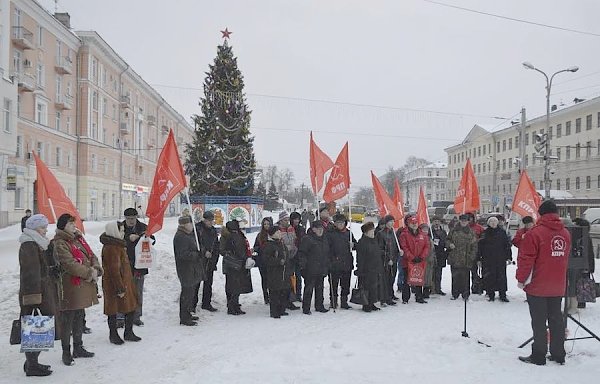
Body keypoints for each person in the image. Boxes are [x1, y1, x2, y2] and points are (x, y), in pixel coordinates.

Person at [517, 200, 570, 366]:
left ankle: (539, 355)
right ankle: (558, 354)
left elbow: (527, 260)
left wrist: (521, 279)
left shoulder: (535, 233)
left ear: (540, 214)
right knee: (557, 321)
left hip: (538, 285)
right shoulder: (566, 233)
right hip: (558, 284)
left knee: (539, 322)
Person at [54, 213, 102, 366]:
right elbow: (69, 264)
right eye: (70, 224)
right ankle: (66, 352)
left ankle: (78, 347)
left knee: (79, 316)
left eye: (73, 223)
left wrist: (95, 268)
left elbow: (91, 254)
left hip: (83, 285)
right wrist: (89, 273)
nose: (74, 226)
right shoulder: (60, 243)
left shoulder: (78, 238)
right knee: (68, 319)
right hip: (70, 287)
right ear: (63, 226)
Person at [18, 214, 58, 376]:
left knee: (40, 327)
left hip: (41, 291)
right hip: (34, 293)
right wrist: (33, 298)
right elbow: (30, 273)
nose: (45, 230)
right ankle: (32, 365)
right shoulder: (29, 245)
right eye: (42, 228)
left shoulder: (37, 243)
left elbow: (43, 266)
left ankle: (32, 362)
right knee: (35, 327)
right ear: (34, 228)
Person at [100, 221, 141, 343]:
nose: (123, 232)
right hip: (115, 284)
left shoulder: (118, 244)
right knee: (113, 310)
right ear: (115, 231)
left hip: (124, 282)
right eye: (121, 230)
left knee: (130, 307)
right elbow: (114, 270)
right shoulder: (112, 248)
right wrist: (120, 288)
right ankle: (113, 335)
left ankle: (128, 332)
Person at [122, 207, 155, 327]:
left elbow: (153, 240)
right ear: (125, 218)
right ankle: (121, 316)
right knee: (123, 291)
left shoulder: (142, 227)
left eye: (133, 218)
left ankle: (136, 316)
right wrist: (127, 238)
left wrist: (146, 237)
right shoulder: (120, 227)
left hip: (140, 265)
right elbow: (113, 240)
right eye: (129, 219)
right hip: (124, 264)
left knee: (137, 291)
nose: (131, 221)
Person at [173, 215, 205, 326]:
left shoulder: (189, 235)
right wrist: (197, 254)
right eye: (190, 223)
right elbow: (183, 254)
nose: (192, 225)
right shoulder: (181, 237)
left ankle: (188, 314)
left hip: (192, 269)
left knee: (190, 293)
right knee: (186, 294)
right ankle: (184, 318)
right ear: (184, 225)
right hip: (186, 269)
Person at [220, 219, 254, 315]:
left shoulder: (237, 235)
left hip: (236, 264)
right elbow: (222, 250)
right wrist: (233, 255)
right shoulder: (230, 236)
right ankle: (232, 306)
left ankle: (234, 305)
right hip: (233, 264)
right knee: (233, 286)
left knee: (235, 286)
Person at [298, 221, 330, 315]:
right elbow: (302, 253)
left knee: (320, 288)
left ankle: (319, 305)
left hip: (321, 267)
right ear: (313, 229)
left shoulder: (325, 238)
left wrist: (328, 263)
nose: (320, 230)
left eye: (322, 229)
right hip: (310, 268)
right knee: (309, 289)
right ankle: (306, 307)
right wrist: (303, 266)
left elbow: (327, 252)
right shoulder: (308, 239)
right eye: (318, 228)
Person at [478, 217, 512, 302]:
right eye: (491, 221)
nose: (493, 223)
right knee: (490, 277)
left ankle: (502, 295)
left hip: (500, 259)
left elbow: (506, 245)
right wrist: (478, 258)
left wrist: (508, 257)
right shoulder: (485, 233)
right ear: (488, 223)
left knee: (501, 277)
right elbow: (480, 247)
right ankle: (491, 294)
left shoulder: (502, 232)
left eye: (495, 221)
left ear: (497, 223)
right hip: (488, 259)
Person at [262, 225, 292, 318]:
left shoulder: (281, 244)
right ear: (272, 234)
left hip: (284, 272)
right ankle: (274, 311)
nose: (280, 234)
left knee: (283, 292)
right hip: (274, 273)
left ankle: (282, 309)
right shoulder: (269, 245)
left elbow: (286, 256)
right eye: (277, 232)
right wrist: (278, 261)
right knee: (275, 293)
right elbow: (266, 259)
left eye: (280, 232)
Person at [446, 214, 478, 300]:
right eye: (462, 220)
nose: (464, 222)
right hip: (455, 257)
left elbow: (474, 245)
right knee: (455, 277)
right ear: (459, 221)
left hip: (466, 258)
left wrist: (472, 256)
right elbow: (447, 240)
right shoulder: (453, 231)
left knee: (465, 278)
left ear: (468, 222)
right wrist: (449, 244)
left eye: (465, 220)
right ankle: (455, 294)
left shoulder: (471, 232)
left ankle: (465, 294)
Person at [399, 216, 430, 304]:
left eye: (416, 223)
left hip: (420, 261)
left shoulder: (423, 235)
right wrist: (412, 257)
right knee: (406, 280)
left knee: (418, 278)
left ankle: (419, 296)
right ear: (408, 224)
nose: (414, 225)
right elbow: (404, 247)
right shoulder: (404, 234)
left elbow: (426, 246)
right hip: (408, 261)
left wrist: (421, 257)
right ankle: (405, 298)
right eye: (412, 223)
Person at [328, 213, 357, 309]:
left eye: (342, 223)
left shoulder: (349, 233)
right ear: (335, 223)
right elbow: (327, 248)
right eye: (337, 223)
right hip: (334, 264)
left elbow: (355, 245)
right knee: (334, 284)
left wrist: (353, 245)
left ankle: (344, 301)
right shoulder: (330, 234)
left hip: (347, 263)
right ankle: (333, 301)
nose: (340, 224)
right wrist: (331, 259)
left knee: (345, 284)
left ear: (345, 223)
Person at [355, 222, 385, 312]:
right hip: (366, 269)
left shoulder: (374, 241)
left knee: (374, 287)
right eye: (370, 232)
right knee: (366, 288)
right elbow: (360, 258)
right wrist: (360, 269)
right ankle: (366, 304)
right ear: (365, 233)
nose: (372, 233)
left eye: (373, 231)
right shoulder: (362, 242)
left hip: (375, 268)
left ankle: (372, 303)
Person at [195, 210, 220, 312]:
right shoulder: (198, 229)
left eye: (211, 220)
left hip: (210, 262)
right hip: (200, 261)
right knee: (196, 284)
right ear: (204, 220)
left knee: (208, 283)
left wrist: (215, 259)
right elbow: (196, 243)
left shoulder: (213, 231)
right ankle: (192, 304)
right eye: (208, 220)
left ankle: (206, 303)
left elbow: (216, 245)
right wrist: (204, 251)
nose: (210, 222)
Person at [376, 215, 401, 306]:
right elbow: (379, 249)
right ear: (386, 223)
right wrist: (387, 259)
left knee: (392, 278)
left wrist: (399, 252)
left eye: (393, 222)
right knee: (385, 280)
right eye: (390, 222)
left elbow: (396, 246)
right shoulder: (381, 233)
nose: (392, 223)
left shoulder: (394, 233)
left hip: (393, 260)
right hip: (385, 262)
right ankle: (384, 298)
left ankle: (390, 294)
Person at [278, 211, 300, 311]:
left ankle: (290, 300)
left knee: (291, 281)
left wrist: (294, 248)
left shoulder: (291, 228)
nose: (287, 222)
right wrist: (286, 248)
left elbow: (294, 239)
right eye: (285, 220)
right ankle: (282, 301)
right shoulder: (278, 229)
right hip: (282, 258)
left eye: (287, 220)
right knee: (284, 281)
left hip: (292, 257)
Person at [572, 218, 595, 309]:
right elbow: (590, 254)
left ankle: (576, 300)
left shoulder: (574, 236)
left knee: (575, 282)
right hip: (585, 264)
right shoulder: (587, 237)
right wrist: (591, 267)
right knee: (583, 282)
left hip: (576, 263)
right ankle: (582, 301)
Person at [253, 217, 273, 304]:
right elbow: (255, 247)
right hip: (262, 260)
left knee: (272, 279)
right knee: (264, 279)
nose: (266, 226)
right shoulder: (260, 235)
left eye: (268, 224)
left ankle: (272, 295)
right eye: (265, 224)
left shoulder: (274, 233)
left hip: (272, 260)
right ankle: (266, 296)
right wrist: (260, 248)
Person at [290, 211, 307, 302]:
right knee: (291, 277)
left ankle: (298, 294)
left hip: (299, 256)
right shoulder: (289, 229)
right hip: (290, 256)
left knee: (298, 277)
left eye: (297, 219)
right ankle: (292, 294)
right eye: (294, 219)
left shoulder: (301, 229)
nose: (296, 221)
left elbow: (304, 241)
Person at [467, 212, 484, 294]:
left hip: (476, 252)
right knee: (465, 273)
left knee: (474, 272)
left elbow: (483, 238)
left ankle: (475, 287)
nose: (469, 219)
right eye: (468, 218)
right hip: (465, 253)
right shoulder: (462, 227)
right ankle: (464, 288)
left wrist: (477, 241)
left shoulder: (479, 228)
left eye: (471, 218)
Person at [431, 217, 448, 295]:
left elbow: (446, 241)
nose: (436, 223)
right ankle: (431, 288)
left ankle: (438, 288)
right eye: (435, 221)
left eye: (438, 221)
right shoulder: (430, 231)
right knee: (431, 273)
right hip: (432, 254)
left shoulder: (443, 232)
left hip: (440, 254)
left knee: (439, 273)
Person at [420, 223, 436, 299]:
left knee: (428, 277)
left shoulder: (430, 238)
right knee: (422, 277)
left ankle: (426, 291)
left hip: (430, 260)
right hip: (423, 260)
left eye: (426, 229)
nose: (425, 231)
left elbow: (432, 250)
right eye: (424, 229)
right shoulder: (420, 238)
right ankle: (420, 292)